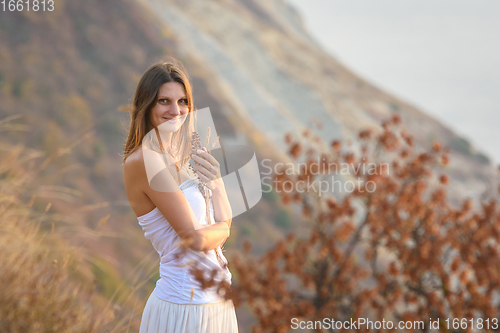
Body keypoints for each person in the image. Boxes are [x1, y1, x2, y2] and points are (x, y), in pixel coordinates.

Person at [122, 59, 238, 332]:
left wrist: (218, 186)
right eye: (164, 101)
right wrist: (223, 229)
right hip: (186, 307)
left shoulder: (181, 157)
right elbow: (195, 238)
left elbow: (221, 220)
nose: (176, 110)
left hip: (215, 301)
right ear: (146, 105)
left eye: (183, 101)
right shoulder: (144, 160)